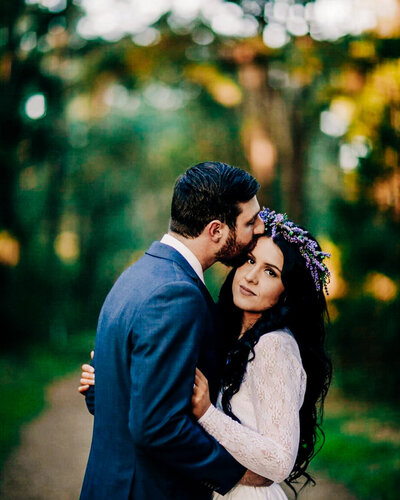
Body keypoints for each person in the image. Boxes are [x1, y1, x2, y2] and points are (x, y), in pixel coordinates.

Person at [81, 208, 332, 499]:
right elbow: (159, 409)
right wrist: (112, 380)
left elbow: (279, 462)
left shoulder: (275, 346)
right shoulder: (220, 329)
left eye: (270, 272)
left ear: (286, 293)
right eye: (249, 261)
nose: (251, 277)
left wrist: (208, 415)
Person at [79, 161, 269, 500]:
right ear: (216, 231)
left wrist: (105, 386)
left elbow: (137, 398)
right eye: (250, 221)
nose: (260, 227)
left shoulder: (139, 275)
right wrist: (237, 472)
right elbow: (156, 424)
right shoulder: (176, 295)